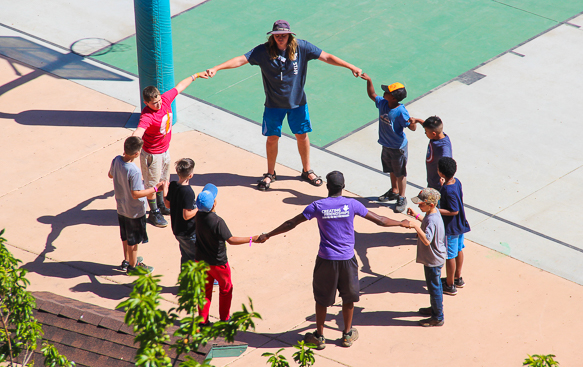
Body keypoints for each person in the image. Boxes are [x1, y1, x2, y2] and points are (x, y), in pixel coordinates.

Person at [257, 171, 409, 349]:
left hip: (326, 260)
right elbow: (381, 221)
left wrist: (268, 234)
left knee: (322, 299)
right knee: (348, 298)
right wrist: (400, 223)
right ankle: (347, 335)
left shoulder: (317, 206)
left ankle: (319, 337)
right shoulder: (352, 204)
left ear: (327, 186)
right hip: (348, 260)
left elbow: (291, 223)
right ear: (343, 187)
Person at [205, 20, 362, 191]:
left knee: (302, 136)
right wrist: (217, 68)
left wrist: (350, 66)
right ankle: (270, 174)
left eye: (284, 35)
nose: (280, 38)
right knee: (272, 138)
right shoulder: (262, 51)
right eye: (277, 35)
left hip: (298, 104)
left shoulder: (302, 47)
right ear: (272, 36)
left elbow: (326, 57)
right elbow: (240, 60)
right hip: (273, 105)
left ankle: (306, 170)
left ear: (290, 35)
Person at [133, 72, 207, 228]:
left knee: (163, 181)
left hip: (165, 151)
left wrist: (196, 76)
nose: (158, 104)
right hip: (152, 155)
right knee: (152, 184)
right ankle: (154, 212)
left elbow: (180, 86)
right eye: (154, 103)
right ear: (146, 103)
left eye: (159, 100)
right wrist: (133, 145)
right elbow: (139, 130)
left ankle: (161, 205)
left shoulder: (165, 100)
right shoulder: (147, 115)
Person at [194, 183, 261, 325]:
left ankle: (202, 321)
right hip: (218, 264)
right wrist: (252, 239)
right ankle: (224, 319)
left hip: (200, 261)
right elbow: (231, 240)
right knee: (226, 290)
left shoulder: (198, 216)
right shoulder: (218, 222)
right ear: (214, 204)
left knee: (204, 291)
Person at [360, 73, 424, 213]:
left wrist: (414, 123)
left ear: (393, 97)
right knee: (391, 169)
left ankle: (402, 196)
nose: (383, 92)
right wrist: (369, 80)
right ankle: (394, 191)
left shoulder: (401, 111)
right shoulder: (383, 103)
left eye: (387, 92)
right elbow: (372, 94)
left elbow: (411, 128)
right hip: (386, 145)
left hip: (398, 148)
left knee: (400, 172)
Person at [108, 136, 161, 274]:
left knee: (125, 237)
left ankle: (127, 260)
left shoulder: (116, 160)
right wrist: (155, 189)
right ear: (137, 154)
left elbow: (110, 175)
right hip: (135, 211)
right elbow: (136, 193)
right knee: (134, 240)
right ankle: (133, 266)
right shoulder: (134, 171)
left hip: (121, 207)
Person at [406, 188, 446, 327]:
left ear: (431, 205)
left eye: (421, 204)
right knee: (435, 286)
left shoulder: (432, 219)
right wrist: (417, 216)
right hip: (436, 258)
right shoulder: (434, 214)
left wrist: (416, 226)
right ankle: (435, 308)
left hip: (432, 261)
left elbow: (427, 240)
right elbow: (427, 223)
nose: (419, 205)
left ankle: (437, 317)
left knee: (434, 288)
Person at [437, 157, 470, 295]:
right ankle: (457, 277)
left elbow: (454, 210)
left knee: (450, 255)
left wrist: (436, 210)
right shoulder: (456, 182)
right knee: (459, 249)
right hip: (460, 224)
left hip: (451, 227)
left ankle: (450, 284)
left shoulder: (447, 190)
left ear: (441, 173)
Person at [164, 158, 198, 268]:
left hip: (177, 229)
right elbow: (187, 215)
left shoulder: (173, 185)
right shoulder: (188, 192)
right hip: (188, 232)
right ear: (190, 175)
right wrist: (199, 208)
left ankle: (184, 282)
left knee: (186, 256)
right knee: (196, 257)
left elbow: (167, 205)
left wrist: (165, 189)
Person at [422, 116, 452, 190]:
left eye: (426, 132)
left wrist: (443, 176)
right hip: (432, 181)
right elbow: (430, 128)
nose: (425, 133)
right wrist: (419, 121)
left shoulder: (444, 147)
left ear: (434, 133)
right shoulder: (436, 136)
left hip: (438, 185)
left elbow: (447, 159)